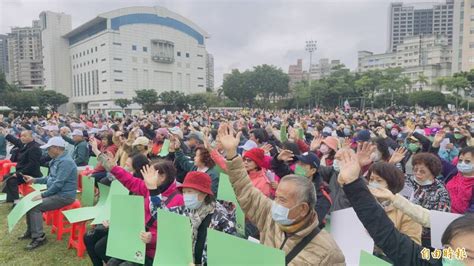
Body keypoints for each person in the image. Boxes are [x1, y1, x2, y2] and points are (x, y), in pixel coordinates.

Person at [218, 123, 345, 265]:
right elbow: (245, 190)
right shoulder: (270, 218)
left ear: (303, 208)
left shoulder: (328, 253)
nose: (275, 203)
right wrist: (231, 154)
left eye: (282, 200)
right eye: (276, 197)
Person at [337, 148, 474, 266]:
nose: (455, 258)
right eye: (448, 249)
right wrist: (353, 183)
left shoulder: (441, 192)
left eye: (468, 255)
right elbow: (386, 233)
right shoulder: (433, 259)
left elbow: (427, 218)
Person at [100, 157, 183, 266]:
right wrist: (113, 168)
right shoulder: (150, 188)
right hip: (138, 241)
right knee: (111, 262)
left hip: (155, 251)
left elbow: (172, 233)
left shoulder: (178, 200)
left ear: (162, 177)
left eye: (150, 174)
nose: (146, 177)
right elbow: (130, 180)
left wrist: (152, 238)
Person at [165, 171, 237, 265]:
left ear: (204, 194)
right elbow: (161, 215)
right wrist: (153, 190)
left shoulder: (222, 220)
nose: (186, 196)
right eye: (184, 192)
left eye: (189, 192)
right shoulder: (186, 210)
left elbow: (227, 257)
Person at [21, 137, 78, 250]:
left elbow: (58, 184)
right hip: (57, 193)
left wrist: (42, 195)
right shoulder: (57, 160)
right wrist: (34, 180)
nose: (47, 151)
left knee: (35, 206)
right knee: (29, 203)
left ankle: (39, 237)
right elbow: (50, 178)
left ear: (57, 148)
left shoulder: (66, 162)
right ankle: (31, 231)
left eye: (48, 149)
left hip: (64, 196)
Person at [367, 162, 422, 247]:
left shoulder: (407, 211)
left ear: (391, 183)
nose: (373, 183)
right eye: (371, 179)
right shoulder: (365, 203)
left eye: (379, 180)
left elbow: (411, 247)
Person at [1, 129, 42, 206]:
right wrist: (6, 134)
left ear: (31, 137)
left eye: (25, 136)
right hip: (23, 171)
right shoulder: (25, 144)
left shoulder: (34, 147)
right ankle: (11, 199)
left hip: (31, 173)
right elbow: (16, 141)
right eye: (21, 136)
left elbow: (32, 165)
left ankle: (16, 201)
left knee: (12, 180)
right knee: (6, 176)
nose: (22, 138)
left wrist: (19, 173)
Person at [446, 146, 474, 214]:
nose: (462, 163)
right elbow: (436, 159)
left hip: (461, 220)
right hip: (443, 212)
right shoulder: (453, 172)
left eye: (467, 161)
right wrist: (436, 145)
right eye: (460, 160)